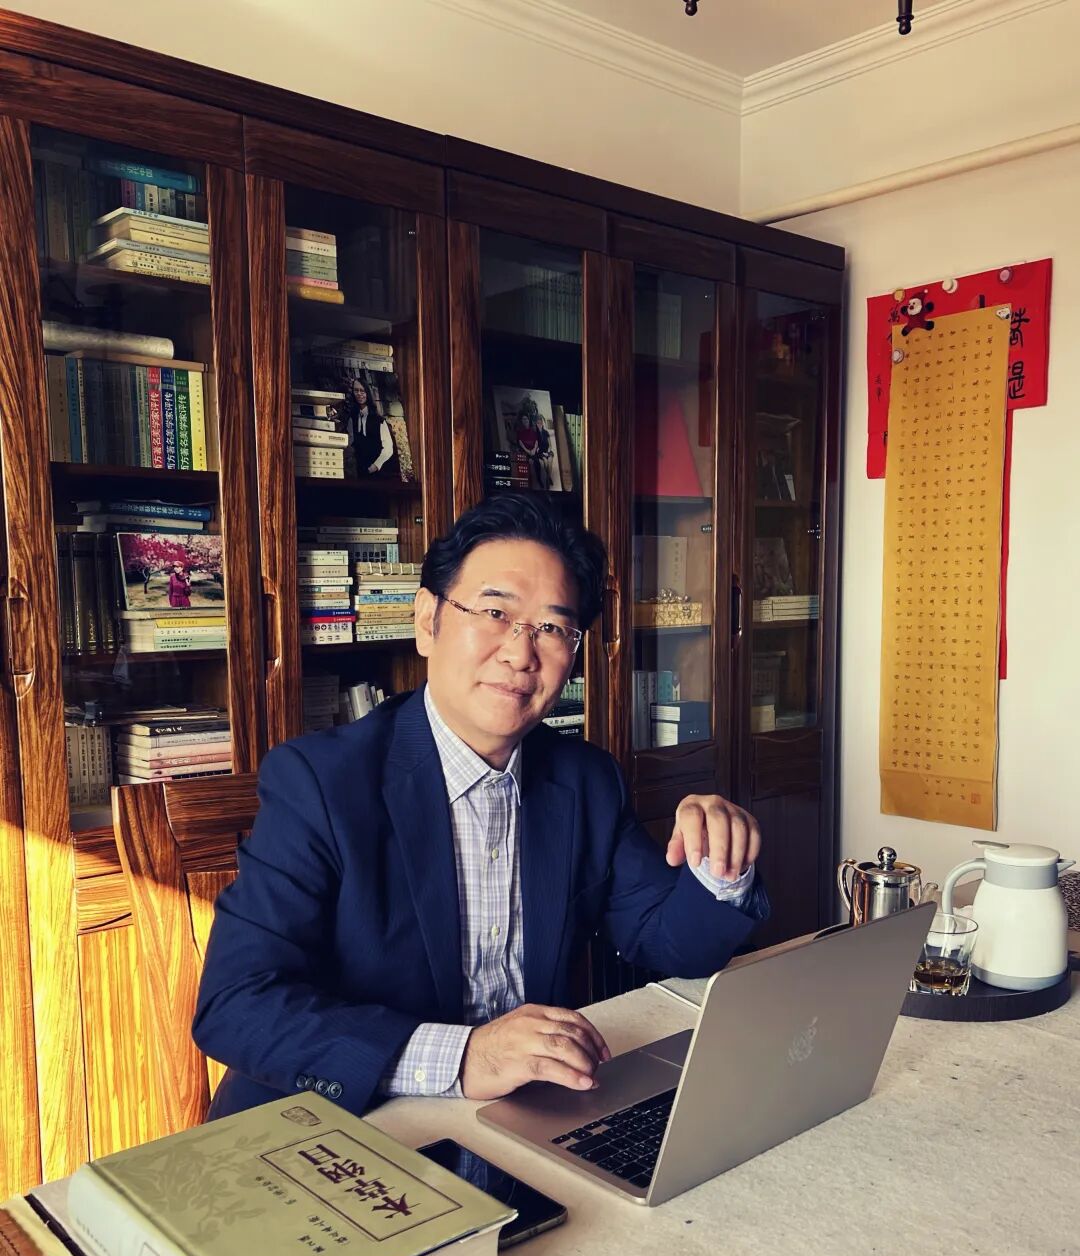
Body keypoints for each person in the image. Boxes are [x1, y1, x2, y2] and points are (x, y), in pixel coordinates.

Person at [193, 494, 767, 1120]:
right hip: (343, 1123)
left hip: (516, 1116)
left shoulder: (586, 780)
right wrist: (466, 1057)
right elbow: (237, 1003)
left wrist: (720, 864)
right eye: (495, 612)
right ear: (427, 621)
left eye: (552, 628)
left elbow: (668, 944)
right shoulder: (320, 783)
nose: (521, 654)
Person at [346, 377, 393, 476]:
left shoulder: (379, 420)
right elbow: (350, 443)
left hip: (379, 473)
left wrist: (374, 466)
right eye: (356, 390)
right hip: (359, 473)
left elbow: (388, 448)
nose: (359, 394)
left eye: (362, 391)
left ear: (367, 392)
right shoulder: (352, 419)